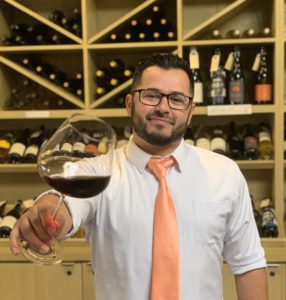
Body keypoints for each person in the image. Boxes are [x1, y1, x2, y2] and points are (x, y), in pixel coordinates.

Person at [9, 53, 268, 300]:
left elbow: (248, 263)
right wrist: (48, 213)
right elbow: (66, 203)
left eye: (177, 99)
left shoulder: (225, 173)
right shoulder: (99, 171)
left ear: (190, 111)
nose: (164, 107)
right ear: (129, 104)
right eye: (152, 95)